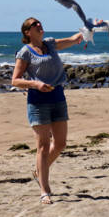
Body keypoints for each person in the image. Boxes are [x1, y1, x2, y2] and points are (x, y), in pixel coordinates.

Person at [11, 17, 83, 204]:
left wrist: (89, 30)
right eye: (34, 24)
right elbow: (15, 80)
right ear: (27, 32)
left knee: (60, 144)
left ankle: (38, 172)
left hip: (58, 97)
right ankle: (45, 190)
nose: (38, 25)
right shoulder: (25, 52)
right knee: (43, 145)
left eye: (39, 23)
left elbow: (74, 39)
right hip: (38, 101)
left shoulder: (50, 44)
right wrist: (35, 84)